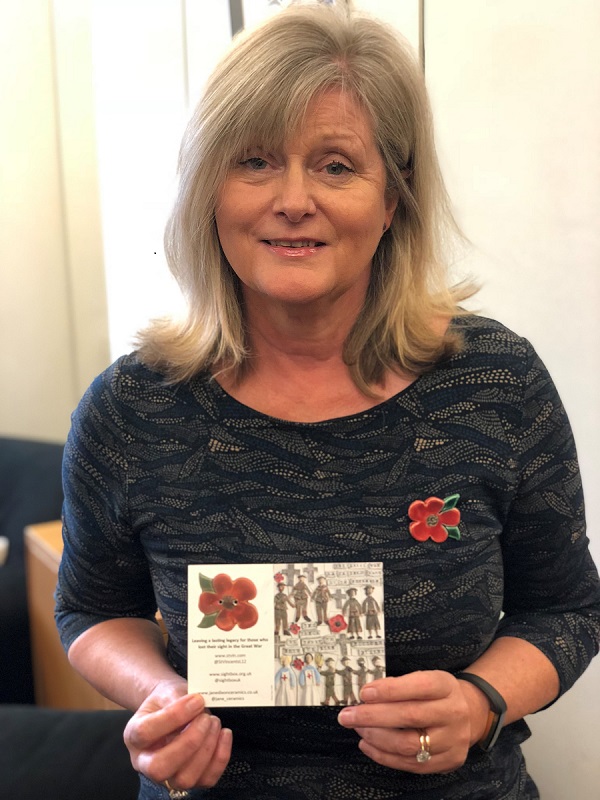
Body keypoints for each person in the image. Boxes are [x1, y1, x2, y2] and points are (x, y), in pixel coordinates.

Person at [54, 3, 600, 799]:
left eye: (337, 165)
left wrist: (482, 702)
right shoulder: (131, 409)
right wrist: (158, 694)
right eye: (254, 162)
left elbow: (566, 607)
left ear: (393, 200)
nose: (293, 199)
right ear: (209, 190)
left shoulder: (494, 384)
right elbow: (92, 611)